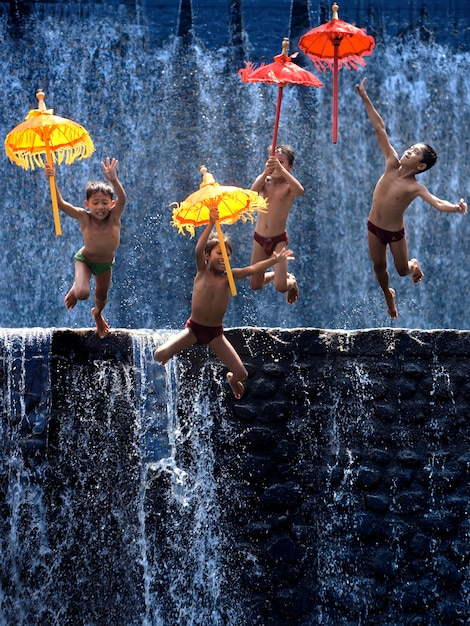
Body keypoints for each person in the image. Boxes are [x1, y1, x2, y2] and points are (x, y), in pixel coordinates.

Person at [154, 207, 294, 399]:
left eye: (227, 255)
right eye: (219, 253)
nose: (224, 258)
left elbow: (253, 269)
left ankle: (231, 381)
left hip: (215, 334)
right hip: (194, 329)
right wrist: (211, 224)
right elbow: (197, 249)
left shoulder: (230, 277)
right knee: (159, 355)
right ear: (207, 256)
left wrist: (273, 261)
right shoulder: (202, 271)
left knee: (242, 374)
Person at [355, 77, 467, 318]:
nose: (409, 150)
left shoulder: (415, 187)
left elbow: (437, 202)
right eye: (411, 147)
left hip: (395, 234)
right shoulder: (391, 162)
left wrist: (456, 208)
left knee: (402, 270)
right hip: (373, 226)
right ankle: (388, 295)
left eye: (415, 152)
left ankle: (413, 265)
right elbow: (380, 128)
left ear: (421, 166)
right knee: (378, 267)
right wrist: (365, 98)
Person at [44, 158, 127, 338]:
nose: (100, 207)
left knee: (101, 297)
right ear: (87, 204)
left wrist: (114, 179)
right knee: (82, 293)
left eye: (105, 202)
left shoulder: (114, 216)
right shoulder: (84, 217)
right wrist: (53, 179)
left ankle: (97, 314)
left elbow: (123, 199)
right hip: (85, 260)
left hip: (105, 264)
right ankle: (75, 288)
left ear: (111, 204)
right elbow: (61, 204)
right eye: (95, 202)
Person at [250, 144, 304, 304]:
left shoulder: (288, 187)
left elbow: (300, 190)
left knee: (280, 287)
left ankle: (291, 281)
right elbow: (251, 195)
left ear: (289, 167)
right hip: (259, 239)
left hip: (278, 241)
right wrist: (265, 172)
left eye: (281, 162)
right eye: (273, 161)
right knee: (255, 284)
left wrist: (281, 170)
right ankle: (276, 274)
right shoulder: (264, 182)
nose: (276, 166)